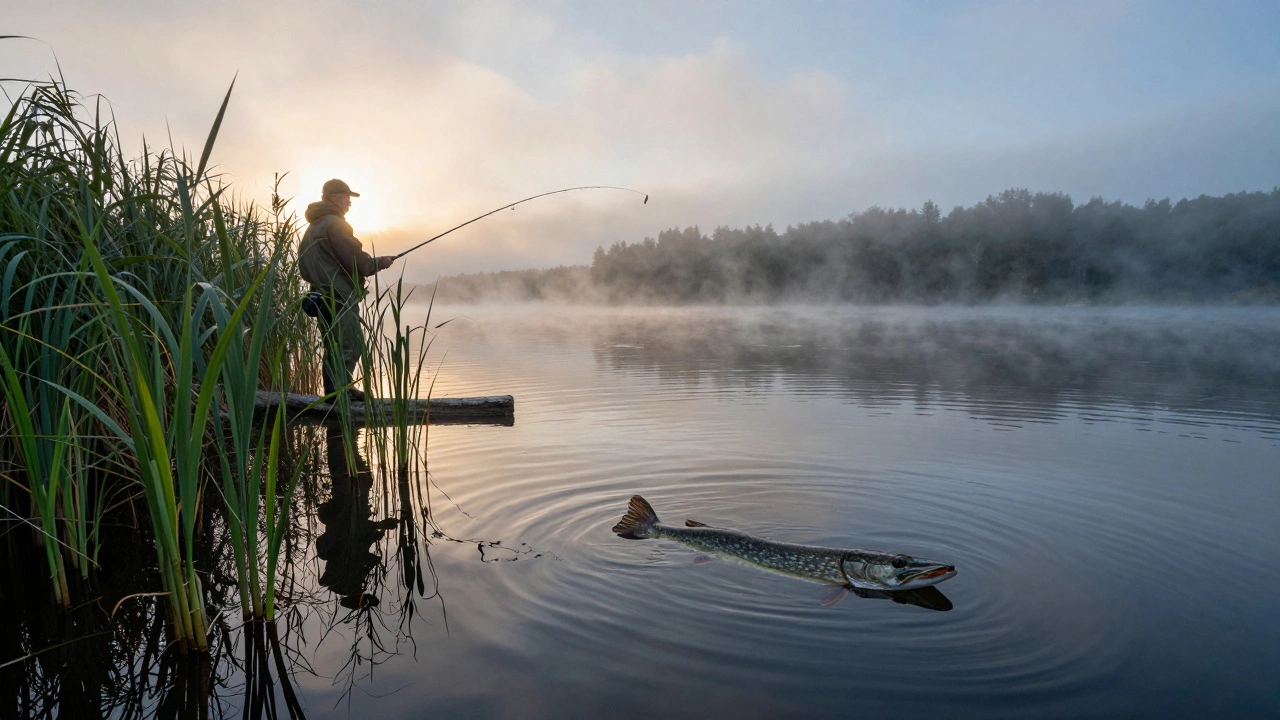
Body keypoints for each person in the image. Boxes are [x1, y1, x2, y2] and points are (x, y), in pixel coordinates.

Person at [298, 178, 395, 401]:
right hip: (339, 294)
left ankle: (338, 391)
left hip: (319, 294)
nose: (349, 203)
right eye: (346, 198)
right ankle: (338, 394)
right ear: (334, 198)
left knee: (333, 342)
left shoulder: (314, 226)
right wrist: (379, 262)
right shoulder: (336, 224)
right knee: (350, 342)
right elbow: (355, 260)